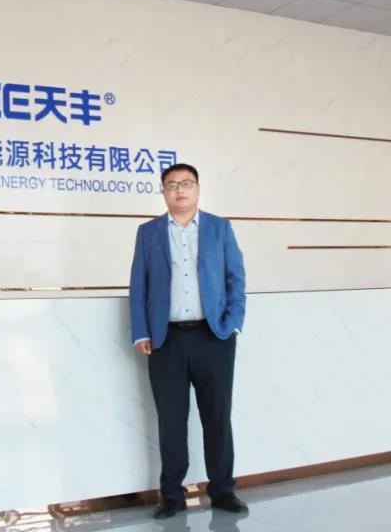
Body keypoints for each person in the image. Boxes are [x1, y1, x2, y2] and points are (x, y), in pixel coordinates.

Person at [129, 163, 248, 519]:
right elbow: (138, 285)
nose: (179, 190)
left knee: (217, 417)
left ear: (197, 188)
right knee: (171, 420)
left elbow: (236, 277)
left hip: (213, 337)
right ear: (163, 192)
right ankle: (172, 495)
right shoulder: (148, 232)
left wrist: (232, 323)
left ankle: (223, 490)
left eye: (186, 183)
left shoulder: (219, 228)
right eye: (171, 185)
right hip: (165, 341)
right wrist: (141, 331)